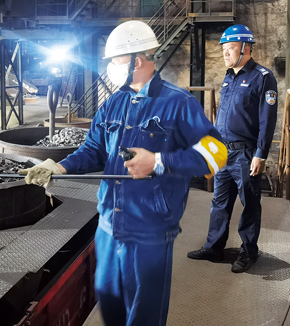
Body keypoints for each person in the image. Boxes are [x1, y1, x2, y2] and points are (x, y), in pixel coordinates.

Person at [20, 20, 227, 326]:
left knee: (144, 313)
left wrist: (158, 161)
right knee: (109, 300)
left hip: (150, 229)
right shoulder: (113, 104)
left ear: (137, 61)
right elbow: (93, 149)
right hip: (108, 224)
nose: (110, 67)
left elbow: (217, 154)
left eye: (115, 60)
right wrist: (59, 166)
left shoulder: (178, 104)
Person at [187, 24, 278, 273]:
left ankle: (249, 251)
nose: (225, 53)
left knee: (249, 203)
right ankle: (214, 247)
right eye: (224, 48)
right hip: (223, 152)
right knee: (219, 201)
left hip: (245, 153)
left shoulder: (263, 77)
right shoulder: (229, 76)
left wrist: (260, 154)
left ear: (245, 48)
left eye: (230, 48)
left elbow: (267, 120)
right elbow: (223, 116)